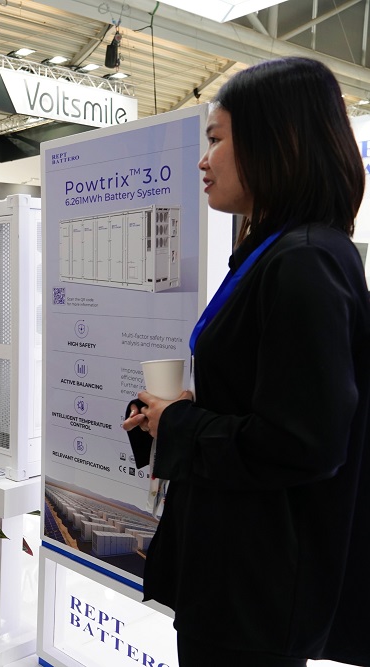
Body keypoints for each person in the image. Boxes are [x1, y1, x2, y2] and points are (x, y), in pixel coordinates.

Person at [123, 57, 370, 666]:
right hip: (241, 574)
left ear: (274, 141)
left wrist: (180, 424)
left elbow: (301, 442)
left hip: (256, 590)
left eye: (216, 139)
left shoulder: (304, 261)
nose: (203, 160)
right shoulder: (280, 251)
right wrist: (185, 410)